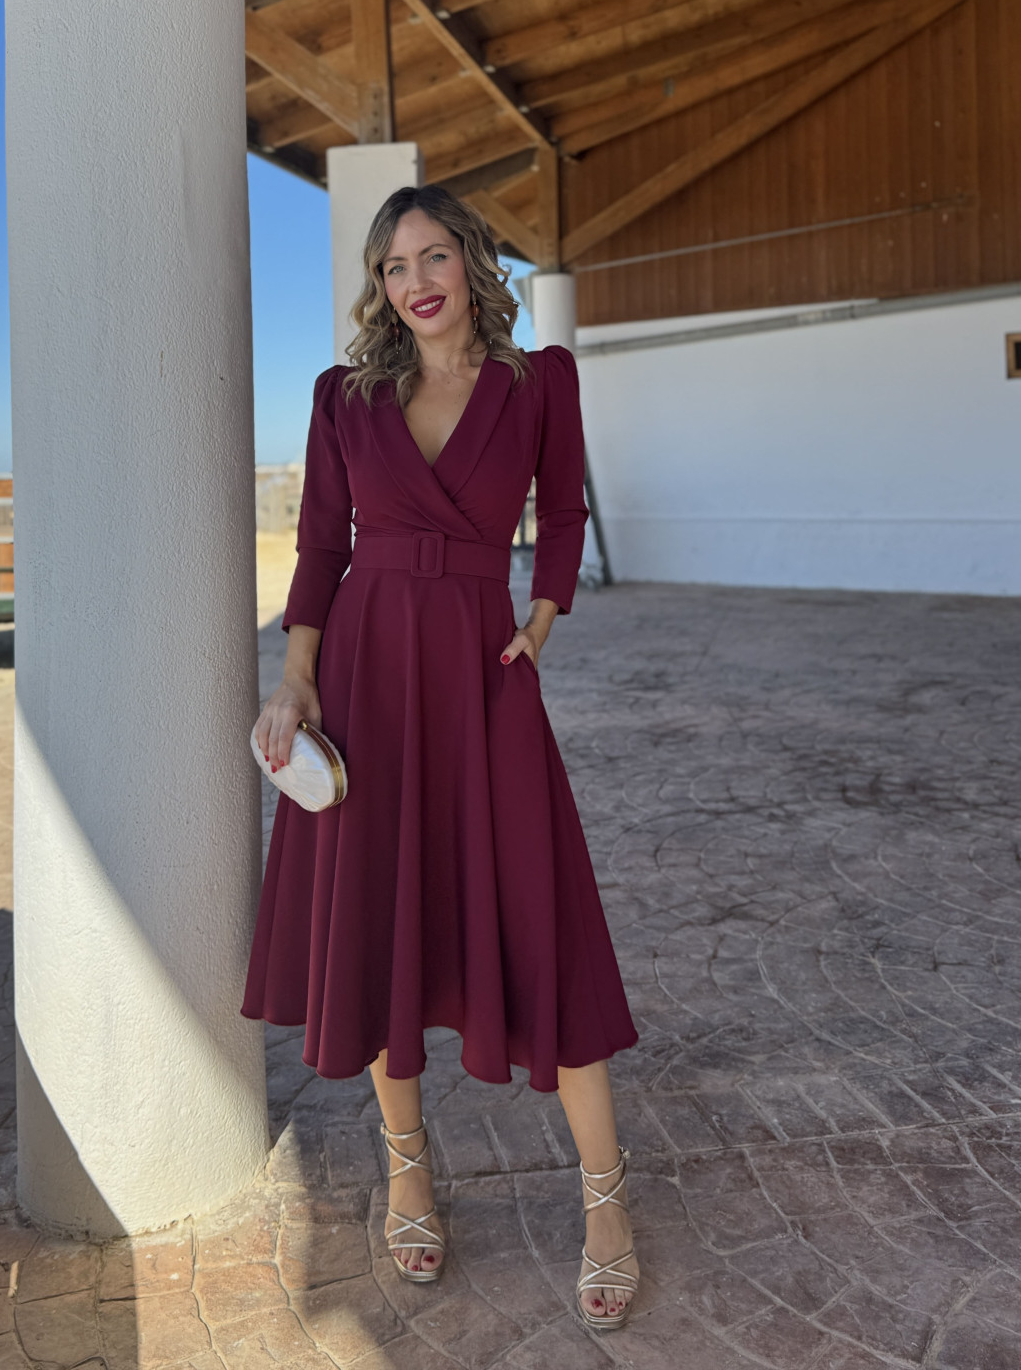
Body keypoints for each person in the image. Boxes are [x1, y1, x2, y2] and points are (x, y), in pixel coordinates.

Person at [242, 185, 640, 1330]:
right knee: (383, 919)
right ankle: (407, 1169)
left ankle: (606, 1199)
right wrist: (297, 676)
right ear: (380, 287)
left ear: (470, 262)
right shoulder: (345, 398)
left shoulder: (535, 382)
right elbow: (322, 546)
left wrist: (542, 618)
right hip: (368, 674)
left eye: (432, 255)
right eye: (391, 265)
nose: (413, 280)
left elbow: (559, 516)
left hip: (482, 667)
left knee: (539, 916)